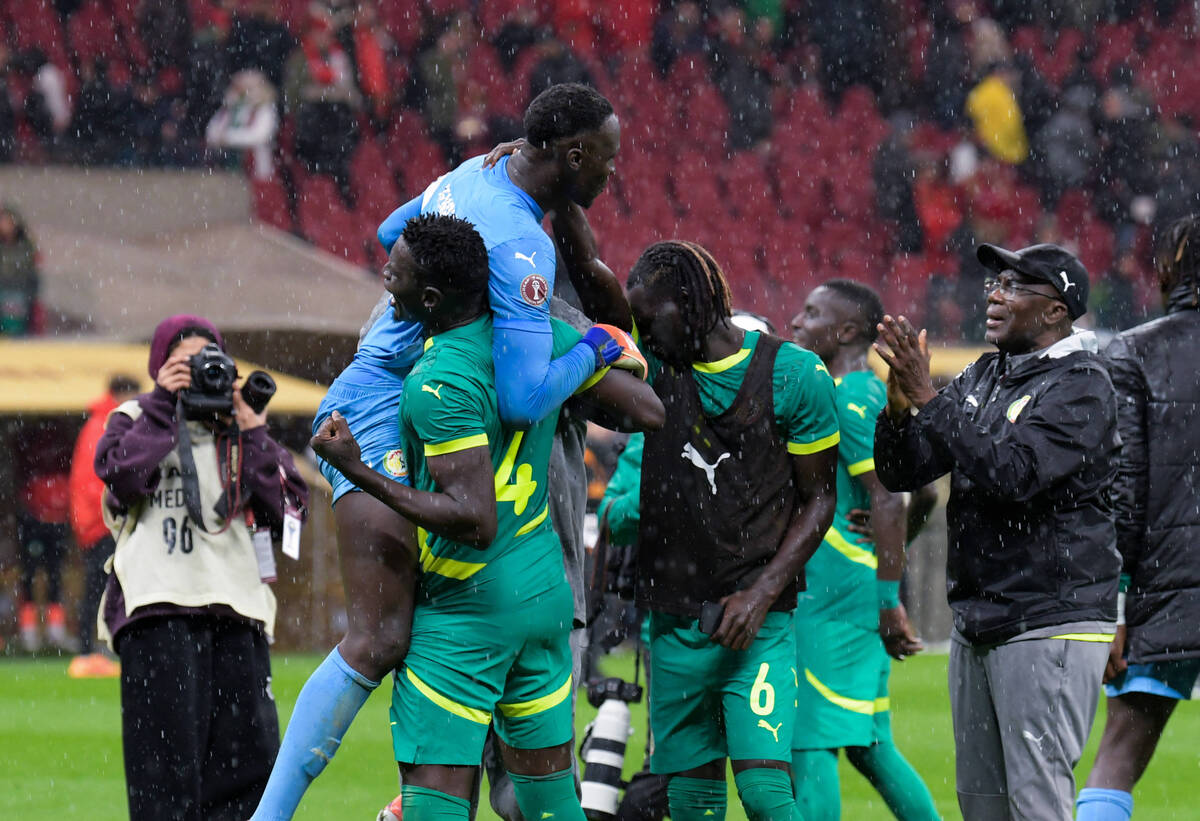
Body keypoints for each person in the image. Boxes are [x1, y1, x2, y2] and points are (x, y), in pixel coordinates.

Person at [251, 83, 627, 821]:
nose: (611, 177)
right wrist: (594, 347)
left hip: (405, 392)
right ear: (575, 153)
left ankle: (423, 793)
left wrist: (464, 205)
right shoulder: (523, 243)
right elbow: (522, 397)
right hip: (380, 408)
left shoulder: (471, 177)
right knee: (381, 633)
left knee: (438, 618)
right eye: (607, 161)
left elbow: (397, 227)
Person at [309, 213, 663, 821]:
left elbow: (474, 519)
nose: (384, 285)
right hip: (545, 601)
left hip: (466, 612)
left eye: (394, 277)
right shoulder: (538, 339)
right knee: (549, 803)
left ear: (428, 298)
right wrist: (597, 347)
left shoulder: (438, 380)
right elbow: (650, 411)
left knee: (434, 806)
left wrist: (357, 468)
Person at [873, 243, 1121, 820]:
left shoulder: (1083, 384)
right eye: (995, 283)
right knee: (981, 805)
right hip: (982, 617)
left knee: (1035, 804)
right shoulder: (987, 373)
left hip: (1049, 616)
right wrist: (897, 412)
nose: (993, 295)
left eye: (1013, 286)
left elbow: (1013, 474)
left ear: (1056, 309)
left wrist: (930, 397)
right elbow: (906, 469)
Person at [627, 240, 839, 821]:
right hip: (674, 622)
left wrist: (762, 594)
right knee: (692, 804)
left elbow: (820, 500)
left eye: (649, 319)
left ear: (687, 303)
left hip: (757, 621)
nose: (641, 333)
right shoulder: (654, 370)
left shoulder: (795, 374)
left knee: (766, 795)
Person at [94, 314, 308, 821]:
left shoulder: (242, 429)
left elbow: (292, 518)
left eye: (209, 361)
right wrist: (164, 409)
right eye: (184, 364)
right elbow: (121, 476)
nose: (199, 372)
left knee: (247, 771)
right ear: (160, 369)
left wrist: (253, 433)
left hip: (238, 613)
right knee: (163, 775)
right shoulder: (133, 417)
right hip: (157, 610)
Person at [788, 280, 939, 821]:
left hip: (835, 594)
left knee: (808, 741)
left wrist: (887, 596)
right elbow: (918, 494)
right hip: (854, 586)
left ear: (846, 331)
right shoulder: (869, 391)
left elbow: (888, 498)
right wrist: (886, 549)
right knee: (871, 747)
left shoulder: (851, 394)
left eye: (810, 313)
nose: (797, 323)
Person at [1076, 215, 1200, 821]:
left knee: (1119, 755)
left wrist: (1112, 610)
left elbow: (1119, 494)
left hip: (1163, 590)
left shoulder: (1133, 350)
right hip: (1167, 585)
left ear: (1173, 268)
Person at [66, 373, 141, 679]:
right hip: (105, 525)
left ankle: (93, 650)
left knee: (103, 589)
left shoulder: (102, 424)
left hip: (101, 523)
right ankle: (90, 651)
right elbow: (97, 482)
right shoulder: (108, 426)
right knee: (104, 589)